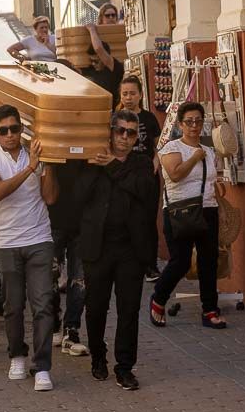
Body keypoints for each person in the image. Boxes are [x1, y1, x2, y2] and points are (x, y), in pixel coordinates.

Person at [0, 104, 59, 391]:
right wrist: (30, 168)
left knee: (43, 305)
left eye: (15, 128)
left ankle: (43, 366)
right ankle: (16, 355)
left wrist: (45, 166)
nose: (11, 135)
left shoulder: (37, 156)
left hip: (39, 238)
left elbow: (50, 198)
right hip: (6, 242)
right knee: (13, 306)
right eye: (4, 131)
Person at [76, 110, 156, 390]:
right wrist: (96, 164)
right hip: (97, 248)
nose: (124, 137)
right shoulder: (92, 160)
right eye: (120, 130)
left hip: (130, 250)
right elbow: (78, 197)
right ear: (110, 131)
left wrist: (112, 165)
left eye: (130, 133)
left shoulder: (142, 164)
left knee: (129, 310)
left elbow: (144, 190)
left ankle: (125, 367)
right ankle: (98, 356)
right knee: (96, 307)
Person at [150, 102, 226, 329]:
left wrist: (219, 193)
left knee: (208, 261)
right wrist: (194, 157)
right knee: (181, 261)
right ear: (181, 124)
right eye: (189, 121)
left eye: (198, 121)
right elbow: (174, 175)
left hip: (207, 209)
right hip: (179, 211)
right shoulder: (172, 148)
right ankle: (158, 299)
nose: (194, 126)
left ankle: (210, 310)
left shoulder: (210, 150)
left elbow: (212, 178)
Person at [118, 75, 162, 282]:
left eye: (132, 93)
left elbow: (159, 145)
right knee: (126, 219)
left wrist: (155, 166)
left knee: (147, 221)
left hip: (147, 176)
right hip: (124, 176)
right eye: (125, 93)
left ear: (141, 95)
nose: (128, 97)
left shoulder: (149, 118)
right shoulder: (115, 118)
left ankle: (150, 266)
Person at [48, 157, 89, 357]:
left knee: (79, 279)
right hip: (52, 218)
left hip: (83, 221)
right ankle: (54, 324)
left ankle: (71, 330)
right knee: (50, 277)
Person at [83, 40, 124, 109]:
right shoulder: (90, 70)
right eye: (91, 61)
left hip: (111, 111)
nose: (93, 64)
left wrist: (92, 30)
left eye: (96, 61)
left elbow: (98, 49)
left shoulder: (114, 68)